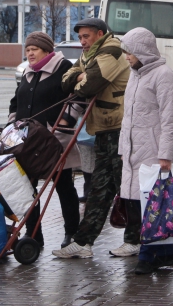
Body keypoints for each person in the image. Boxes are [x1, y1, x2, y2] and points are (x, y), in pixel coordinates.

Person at [52, 18, 131, 259]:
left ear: (99, 34)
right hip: (104, 128)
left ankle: (137, 239)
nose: (82, 42)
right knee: (99, 187)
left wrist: (81, 77)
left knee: (124, 186)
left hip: (119, 127)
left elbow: (89, 86)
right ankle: (83, 242)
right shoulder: (91, 54)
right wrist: (80, 76)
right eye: (80, 38)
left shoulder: (111, 51)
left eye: (86, 37)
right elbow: (65, 81)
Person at [116, 28, 173, 275]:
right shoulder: (135, 75)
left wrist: (165, 154)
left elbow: (170, 118)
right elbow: (128, 118)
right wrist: (124, 148)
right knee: (147, 205)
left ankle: (146, 257)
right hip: (135, 152)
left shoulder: (163, 75)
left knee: (150, 207)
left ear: (142, 51)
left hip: (154, 153)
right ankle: (166, 254)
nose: (126, 57)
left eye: (129, 52)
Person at [9, 31, 81, 249]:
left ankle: (72, 233)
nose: (30, 54)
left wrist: (67, 120)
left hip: (54, 139)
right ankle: (33, 236)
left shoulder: (63, 69)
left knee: (63, 186)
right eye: (27, 50)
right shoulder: (28, 72)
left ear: (47, 50)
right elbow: (16, 100)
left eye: (34, 50)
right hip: (27, 142)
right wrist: (14, 122)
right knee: (27, 188)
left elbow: (78, 97)